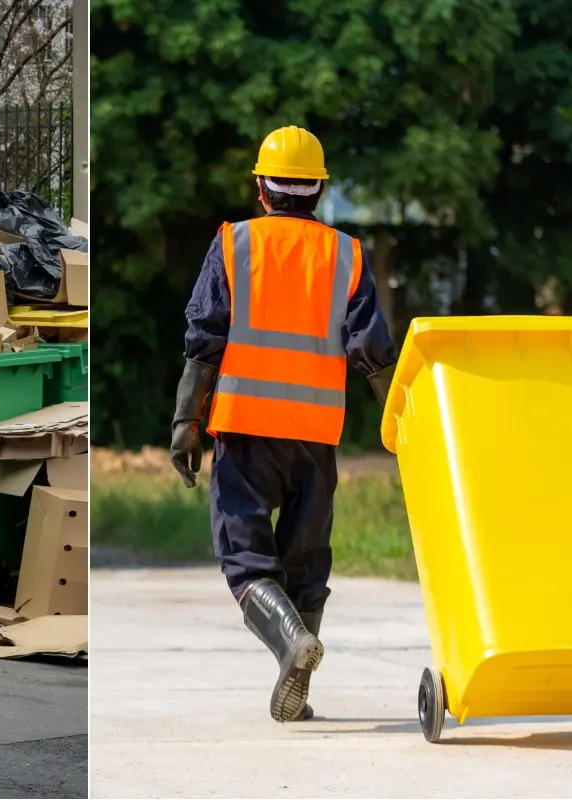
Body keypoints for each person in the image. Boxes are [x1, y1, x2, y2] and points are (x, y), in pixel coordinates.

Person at [169, 125, 399, 722]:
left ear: (262, 190)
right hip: (316, 436)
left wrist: (186, 421)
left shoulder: (234, 245)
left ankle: (292, 647)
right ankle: (297, 689)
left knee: (246, 559)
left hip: (245, 429)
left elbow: (204, 341)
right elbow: (372, 349)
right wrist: (404, 421)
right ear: (318, 191)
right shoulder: (346, 254)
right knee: (306, 561)